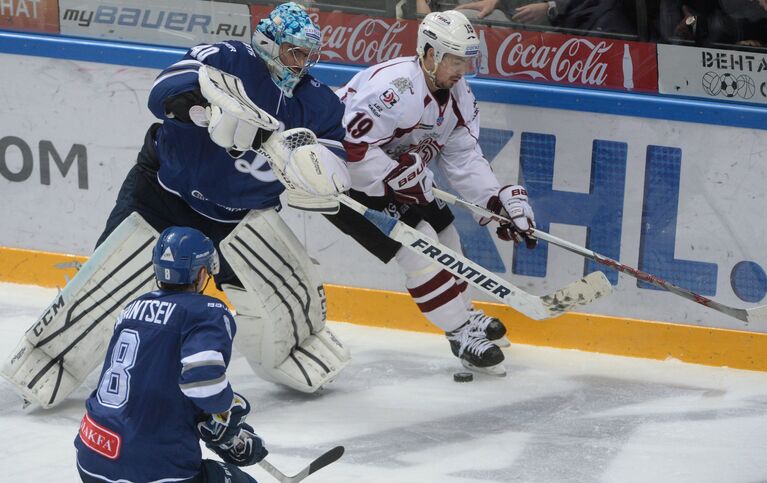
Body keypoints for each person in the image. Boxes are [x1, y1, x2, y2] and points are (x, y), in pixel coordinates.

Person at [1, 2, 351, 409]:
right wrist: (203, 110)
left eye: (310, 55)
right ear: (269, 44)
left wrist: (314, 171)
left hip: (239, 218)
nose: (304, 64)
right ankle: (47, 360)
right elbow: (164, 90)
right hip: (163, 194)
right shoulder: (228, 57)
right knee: (105, 284)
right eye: (296, 52)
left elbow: (334, 162)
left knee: (288, 293)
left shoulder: (320, 102)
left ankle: (296, 350)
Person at [330, 10, 538, 376]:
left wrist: (495, 200)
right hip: (342, 180)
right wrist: (395, 176)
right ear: (429, 53)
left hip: (397, 173)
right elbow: (348, 150)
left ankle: (464, 313)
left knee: (445, 233)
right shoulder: (394, 90)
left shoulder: (457, 94)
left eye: (467, 61)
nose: (462, 70)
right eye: (455, 60)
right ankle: (459, 332)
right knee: (420, 244)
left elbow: (463, 158)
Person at [75, 226, 268, 483]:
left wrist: (211, 422)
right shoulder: (206, 310)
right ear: (201, 273)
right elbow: (204, 383)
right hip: (154, 468)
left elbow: (153, 386)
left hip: (93, 454)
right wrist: (226, 413)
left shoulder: (132, 308)